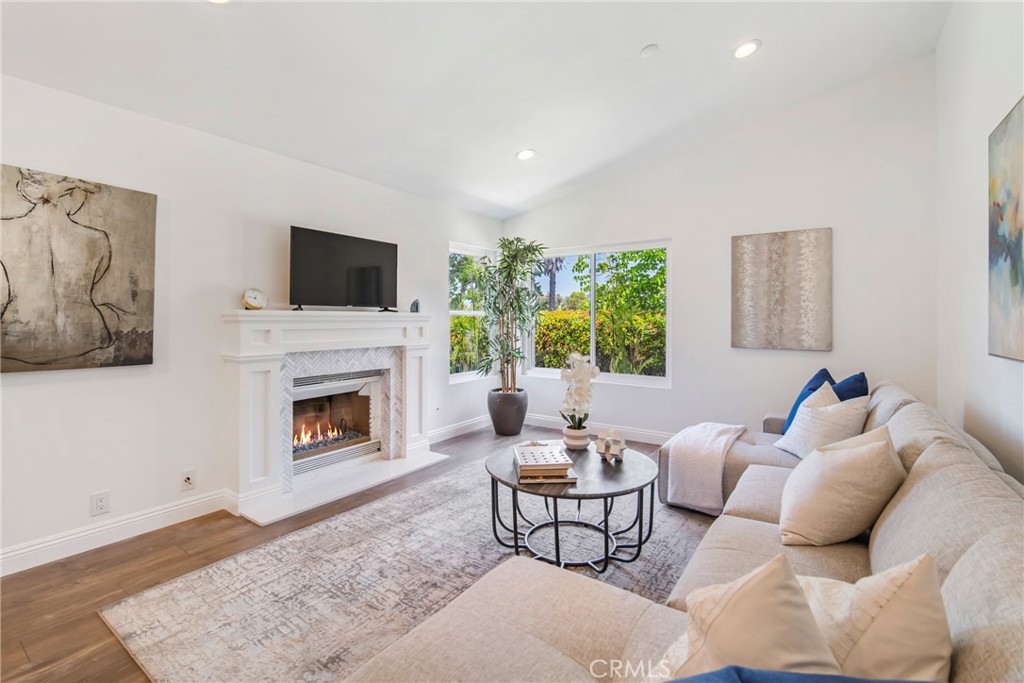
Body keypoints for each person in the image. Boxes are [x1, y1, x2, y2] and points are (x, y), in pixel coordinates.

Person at [1, 168, 117, 365]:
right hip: (88, 339)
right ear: (73, 193)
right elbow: (93, 282)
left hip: (17, 342)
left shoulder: (3, 231)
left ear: (26, 192)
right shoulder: (98, 239)